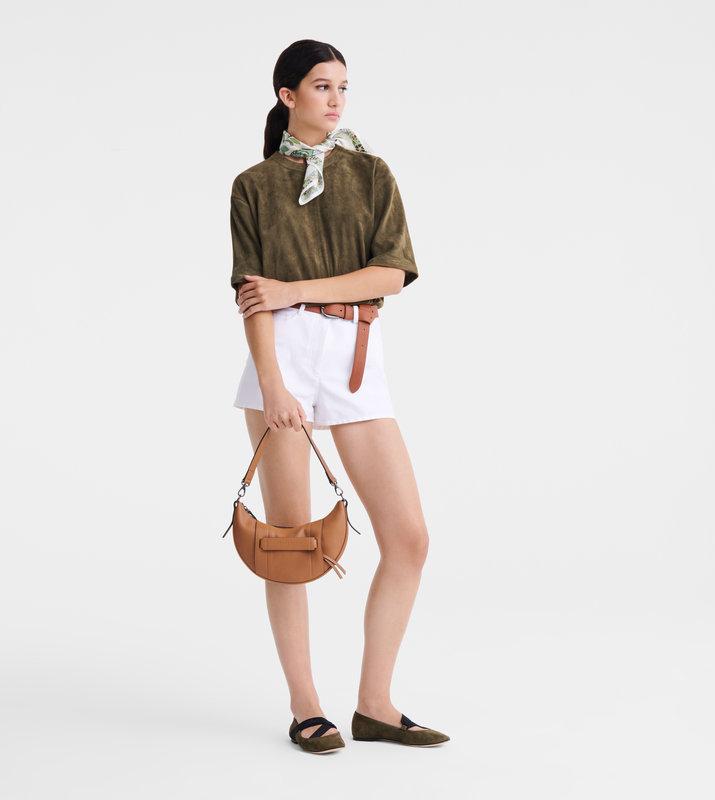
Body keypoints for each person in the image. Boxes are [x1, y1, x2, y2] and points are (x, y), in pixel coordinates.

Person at [229, 39, 449, 753]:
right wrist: (272, 384)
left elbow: (392, 275)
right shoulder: (254, 186)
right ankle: (306, 708)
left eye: (343, 87)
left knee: (408, 538)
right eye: (322, 86)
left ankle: (375, 705)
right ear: (287, 95)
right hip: (284, 355)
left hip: (356, 354)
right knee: (291, 543)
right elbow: (252, 299)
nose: (336, 99)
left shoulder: (371, 173)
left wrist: (294, 288)